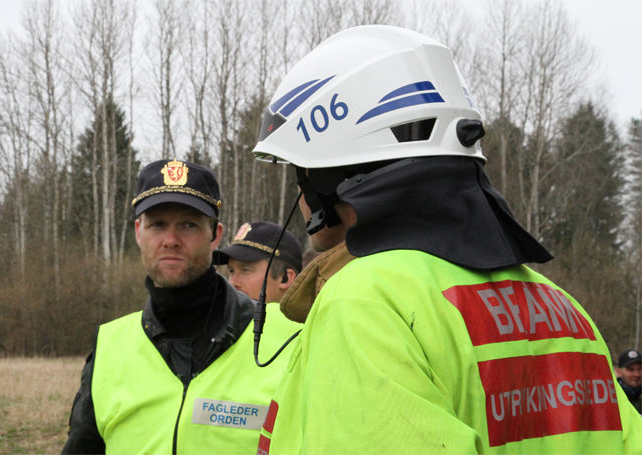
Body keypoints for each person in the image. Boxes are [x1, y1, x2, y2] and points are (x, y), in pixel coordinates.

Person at [250, 25, 642, 453]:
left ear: (327, 177)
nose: (299, 190)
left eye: (300, 168)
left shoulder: (365, 302)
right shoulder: (563, 309)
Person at [63, 159, 297, 454]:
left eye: (188, 225)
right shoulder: (110, 347)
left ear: (215, 235)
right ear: (138, 232)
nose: (171, 240)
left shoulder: (287, 339)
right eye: (157, 224)